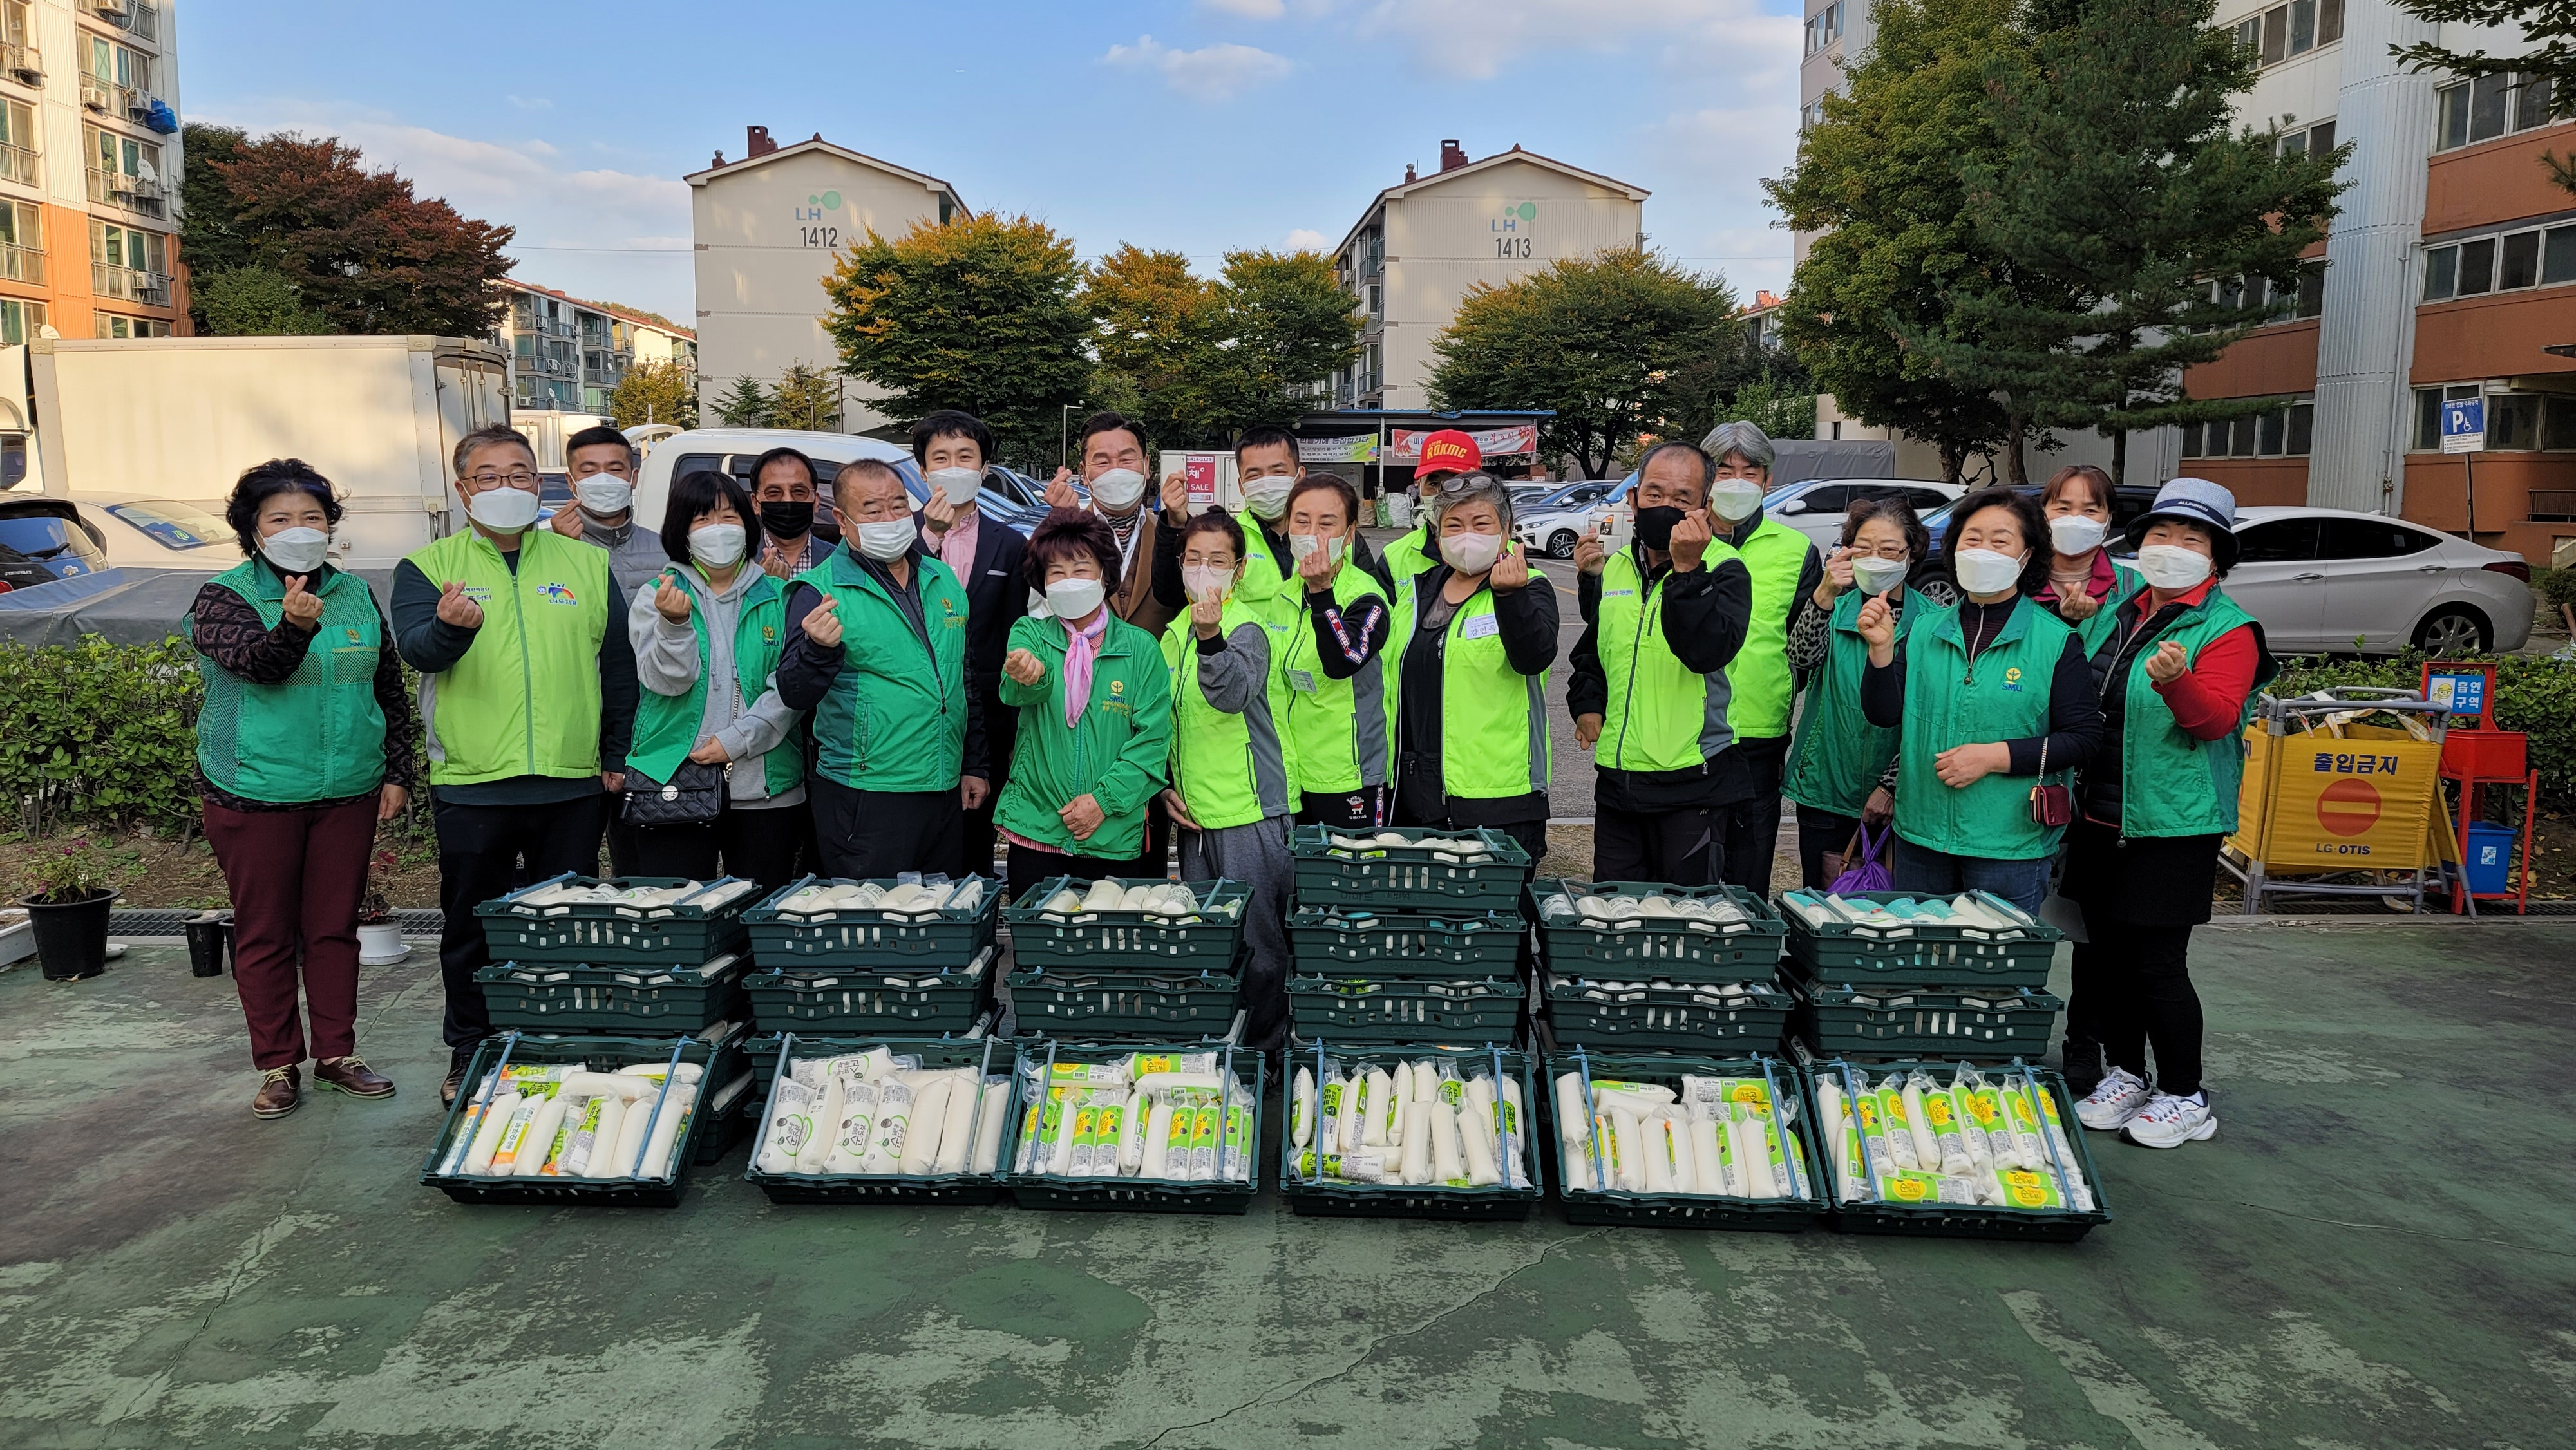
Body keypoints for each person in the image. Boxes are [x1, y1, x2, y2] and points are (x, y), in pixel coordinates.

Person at [394, 426, 637, 1104]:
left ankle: (558, 1046)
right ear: (462, 486)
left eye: (520, 475)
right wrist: (450, 625)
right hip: (474, 782)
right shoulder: (428, 565)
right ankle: (470, 1050)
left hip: (569, 781)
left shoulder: (584, 564)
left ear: (540, 484)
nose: (506, 487)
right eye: (489, 476)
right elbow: (419, 652)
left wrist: (614, 753)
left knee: (567, 926)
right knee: (472, 928)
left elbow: (617, 668)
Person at [191, 459, 413, 1118]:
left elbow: (387, 687)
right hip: (253, 792)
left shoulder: (354, 593)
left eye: (312, 517)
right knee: (264, 933)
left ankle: (337, 1053)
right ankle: (278, 1063)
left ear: (331, 526)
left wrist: (396, 770)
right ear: (251, 530)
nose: (299, 529)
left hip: (347, 789)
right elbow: (259, 668)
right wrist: (292, 626)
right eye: (280, 519)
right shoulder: (223, 596)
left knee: (333, 928)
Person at [2061, 478, 2273, 1148]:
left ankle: (2184, 1091)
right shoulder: (2119, 609)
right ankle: (2127, 1071)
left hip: (2172, 823)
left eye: (2191, 538)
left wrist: (2178, 680)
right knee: (2110, 957)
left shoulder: (2228, 630)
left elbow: (2214, 721)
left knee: (2156, 963)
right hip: (2098, 816)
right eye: (2160, 534)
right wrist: (2073, 619)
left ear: (2216, 557)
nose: (2171, 547)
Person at [1855, 485, 2103, 911]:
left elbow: (2083, 738)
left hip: (2009, 846)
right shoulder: (1924, 630)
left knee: (1995, 973)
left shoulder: (2055, 640)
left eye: (2000, 540)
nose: (1983, 550)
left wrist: (1995, 757)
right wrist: (1879, 653)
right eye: (1972, 538)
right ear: (1953, 550)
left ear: (2027, 555)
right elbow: (1883, 715)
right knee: (1921, 966)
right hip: (1922, 837)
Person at [775, 458, 988, 880]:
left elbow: (962, 680)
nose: (889, 519)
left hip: (942, 783)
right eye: (872, 510)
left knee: (938, 914)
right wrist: (817, 649)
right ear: (841, 519)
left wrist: (973, 764)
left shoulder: (941, 578)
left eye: (897, 506)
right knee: (873, 918)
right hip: (867, 791)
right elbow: (793, 693)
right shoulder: (819, 590)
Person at [1567, 442, 1754, 885]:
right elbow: (1596, 648)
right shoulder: (1615, 569)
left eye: (1682, 499)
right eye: (1654, 494)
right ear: (1632, 499)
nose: (1665, 506)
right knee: (1613, 915)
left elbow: (1704, 652)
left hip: (1692, 783)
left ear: (1705, 508)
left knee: (1685, 925)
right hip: (1619, 781)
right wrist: (1587, 702)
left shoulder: (1727, 570)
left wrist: (1688, 574)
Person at [625, 469, 808, 891]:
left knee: (762, 919)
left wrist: (738, 739)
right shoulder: (658, 595)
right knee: (678, 918)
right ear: (681, 530)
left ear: (748, 525)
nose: (717, 530)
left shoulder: (781, 596)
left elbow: (791, 689)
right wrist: (674, 624)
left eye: (729, 517)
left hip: (767, 787)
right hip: (674, 782)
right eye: (701, 519)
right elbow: (665, 682)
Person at [1159, 510, 1298, 1051]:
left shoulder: (1247, 628)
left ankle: (1267, 1057)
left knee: (1261, 949)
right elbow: (1166, 722)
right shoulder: (1173, 635)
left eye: (1217, 560)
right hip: (1195, 818)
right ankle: (1222, 1051)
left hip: (1250, 815)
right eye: (1193, 559)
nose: (1204, 570)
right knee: (1212, 944)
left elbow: (1233, 694)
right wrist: (1164, 785)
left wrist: (1211, 637)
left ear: (1238, 571)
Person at [993, 509, 1175, 896]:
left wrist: (1102, 802)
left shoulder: (1140, 648)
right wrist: (1030, 673)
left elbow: (1153, 741)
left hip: (1113, 830)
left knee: (1109, 948)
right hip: (1037, 826)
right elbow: (1019, 689)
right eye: (1056, 573)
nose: (1068, 581)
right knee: (1040, 943)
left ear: (1105, 575)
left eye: (1080, 569)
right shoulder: (1031, 633)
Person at [1388, 471, 1558, 863]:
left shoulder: (1532, 586)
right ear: (1438, 535)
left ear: (1506, 531)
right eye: (1454, 525)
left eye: (1481, 523)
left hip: (1499, 797)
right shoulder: (1417, 590)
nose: (1468, 536)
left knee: (1495, 918)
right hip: (1419, 794)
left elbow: (1534, 656)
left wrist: (1510, 596)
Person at [1781, 496, 1947, 889]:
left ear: (1911, 553)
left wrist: (1890, 784)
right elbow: (1800, 657)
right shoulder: (1835, 607)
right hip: (1824, 784)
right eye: (1864, 548)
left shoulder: (1932, 622)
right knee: (1820, 901)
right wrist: (1823, 594)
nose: (1876, 559)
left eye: (1889, 550)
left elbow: (1933, 712)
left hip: (1903, 795)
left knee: (1888, 911)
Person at [1698, 420, 1823, 896]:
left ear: (1768, 482)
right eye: (1724, 470)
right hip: (1683, 729)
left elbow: (1804, 643)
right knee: (1689, 860)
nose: (1737, 482)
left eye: (1750, 473)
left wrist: (1783, 684)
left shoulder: (1795, 551)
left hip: (1759, 731)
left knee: (1749, 866)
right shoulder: (1680, 543)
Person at [916, 410, 1030, 878]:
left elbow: (1013, 629)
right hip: (914, 712)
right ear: (923, 472)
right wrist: (929, 535)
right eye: (941, 458)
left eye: (966, 457)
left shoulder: (1009, 544)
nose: (955, 468)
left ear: (984, 470)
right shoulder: (902, 538)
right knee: (918, 837)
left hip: (985, 715)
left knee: (973, 836)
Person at [1278, 473, 1397, 829]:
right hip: (1295, 774)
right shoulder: (1281, 595)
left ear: (1349, 535)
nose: (1313, 534)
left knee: (1351, 879)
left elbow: (1342, 661)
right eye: (1302, 521)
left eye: (1327, 524)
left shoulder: (1367, 596)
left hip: (1352, 774)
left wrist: (1321, 595)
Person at [1045, 411, 1177, 636]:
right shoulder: (1060, 537)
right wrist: (1060, 527)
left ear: (1146, 466)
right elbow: (1042, 611)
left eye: (1127, 459)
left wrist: (1178, 523)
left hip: (1159, 668)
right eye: (1103, 461)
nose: (1116, 469)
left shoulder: (1171, 534)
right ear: (1084, 473)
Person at [1153, 423, 1302, 625]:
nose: (1267, 484)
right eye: (1254, 475)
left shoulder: (1338, 536)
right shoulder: (1227, 537)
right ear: (1241, 485)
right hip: (1243, 653)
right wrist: (1175, 526)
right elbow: (1172, 595)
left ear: (1299, 476)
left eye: (1278, 472)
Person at [547, 425, 667, 596]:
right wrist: (562, 547)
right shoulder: (546, 545)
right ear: (570, 481)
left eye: (615, 469)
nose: (603, 478)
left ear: (634, 478)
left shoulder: (663, 549)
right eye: (589, 471)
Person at [2036, 464, 2143, 653]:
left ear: (2108, 521)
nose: (2075, 519)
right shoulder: (2014, 581)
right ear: (2044, 515)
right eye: (2063, 508)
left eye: (2090, 511)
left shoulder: (2136, 587)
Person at [1378, 428, 1482, 587]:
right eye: (1433, 484)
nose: (1443, 495)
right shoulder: (1393, 559)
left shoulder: (1507, 556)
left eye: (1457, 483)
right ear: (1419, 488)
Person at [752, 447, 833, 581]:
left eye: (799, 492)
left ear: (816, 501)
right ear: (755, 503)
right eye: (773, 493)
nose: (788, 500)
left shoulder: (840, 561)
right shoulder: (737, 563)